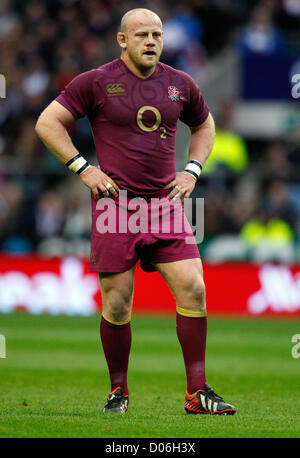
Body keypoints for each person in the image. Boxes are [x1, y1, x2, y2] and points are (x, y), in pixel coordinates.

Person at [35, 8, 236, 416]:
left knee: (194, 289)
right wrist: (83, 168)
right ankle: (118, 391)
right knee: (118, 304)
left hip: (166, 205)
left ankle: (197, 392)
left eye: (157, 34)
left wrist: (192, 171)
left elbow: (205, 126)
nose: (151, 41)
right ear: (122, 40)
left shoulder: (181, 84)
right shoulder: (94, 81)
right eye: (142, 34)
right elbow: (47, 122)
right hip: (116, 206)